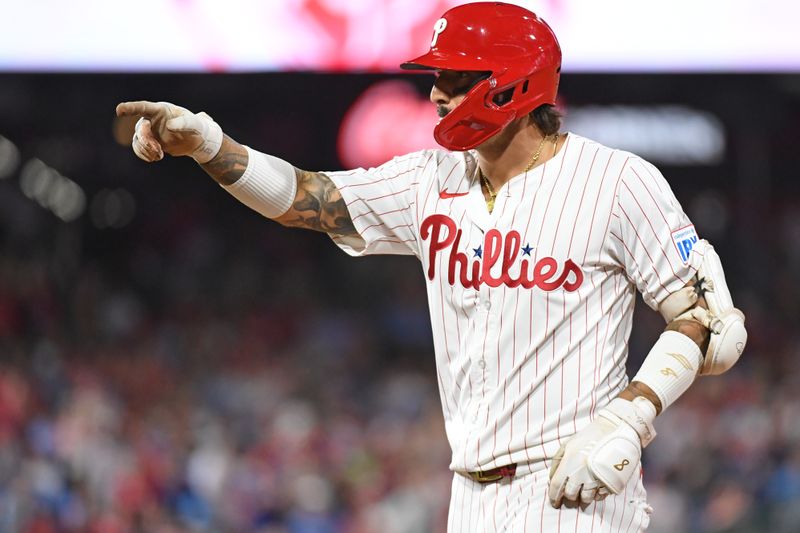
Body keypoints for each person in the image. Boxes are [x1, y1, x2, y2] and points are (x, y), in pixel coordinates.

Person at [116, 2, 747, 531]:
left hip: (575, 487)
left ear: (512, 85)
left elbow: (710, 320)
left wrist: (629, 418)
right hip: (467, 495)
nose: (435, 93)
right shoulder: (429, 178)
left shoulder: (617, 182)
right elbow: (307, 201)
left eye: (453, 77)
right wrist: (208, 144)